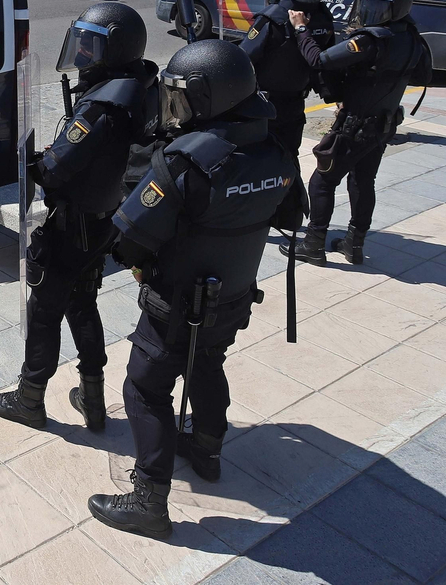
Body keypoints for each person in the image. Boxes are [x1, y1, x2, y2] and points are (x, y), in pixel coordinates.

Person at [88, 40, 299, 539]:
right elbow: (291, 215)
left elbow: (128, 240)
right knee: (207, 362)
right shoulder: (275, 148)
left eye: (183, 98)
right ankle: (206, 448)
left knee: (145, 386)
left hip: (176, 300)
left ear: (210, 98)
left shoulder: (186, 162)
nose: (175, 107)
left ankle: (148, 501)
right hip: (234, 296)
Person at [0, 4, 159, 431]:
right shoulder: (139, 87)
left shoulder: (102, 105)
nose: (82, 53)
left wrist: (29, 161)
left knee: (44, 312)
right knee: (83, 305)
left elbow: (57, 169)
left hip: (72, 225)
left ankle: (29, 399)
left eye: (91, 45)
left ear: (115, 48)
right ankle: (93, 397)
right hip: (103, 219)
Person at [286, 0, 432, 266]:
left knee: (322, 181)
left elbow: (319, 60)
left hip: (355, 124)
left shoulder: (369, 41)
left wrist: (301, 29)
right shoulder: (412, 37)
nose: (370, 14)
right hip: (382, 125)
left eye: (378, 8)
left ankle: (313, 244)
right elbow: (422, 76)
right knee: (364, 181)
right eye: (368, 6)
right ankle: (354, 243)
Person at [241, 0, 336, 153]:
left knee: (261, 157)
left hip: (265, 105)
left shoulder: (274, 17)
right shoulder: (323, 15)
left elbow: (243, 58)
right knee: (290, 154)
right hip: (296, 102)